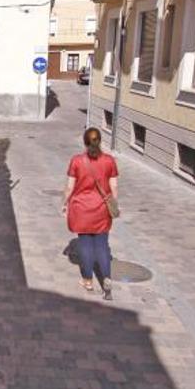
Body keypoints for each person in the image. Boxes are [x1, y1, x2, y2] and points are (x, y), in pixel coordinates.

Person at [61, 127, 118, 300]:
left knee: (85, 245)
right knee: (102, 246)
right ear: (100, 141)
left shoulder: (77, 161)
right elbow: (114, 187)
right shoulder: (109, 161)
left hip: (81, 209)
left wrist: (64, 203)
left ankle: (87, 281)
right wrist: (113, 204)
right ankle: (106, 281)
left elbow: (70, 187)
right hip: (102, 210)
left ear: (85, 142)